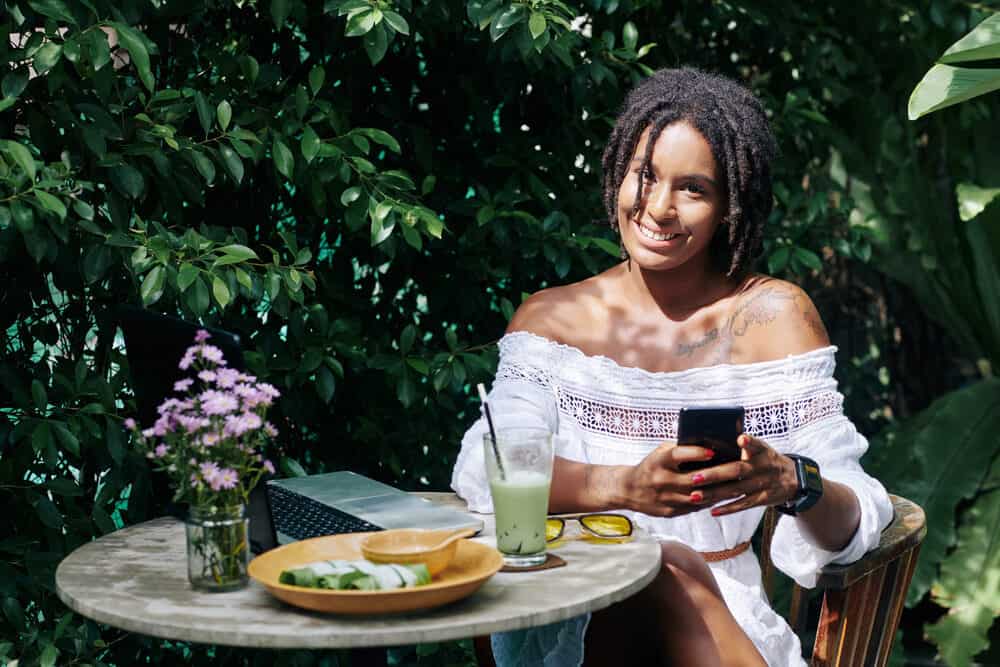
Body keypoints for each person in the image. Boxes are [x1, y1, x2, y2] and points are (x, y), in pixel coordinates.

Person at [450, 67, 894, 667]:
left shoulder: (773, 317)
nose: (658, 207)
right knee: (650, 562)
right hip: (570, 618)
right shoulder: (553, 320)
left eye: (693, 188)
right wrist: (624, 487)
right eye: (645, 176)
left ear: (728, 207)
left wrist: (793, 481)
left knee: (668, 567)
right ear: (617, 177)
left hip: (721, 623)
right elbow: (485, 468)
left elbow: (854, 524)